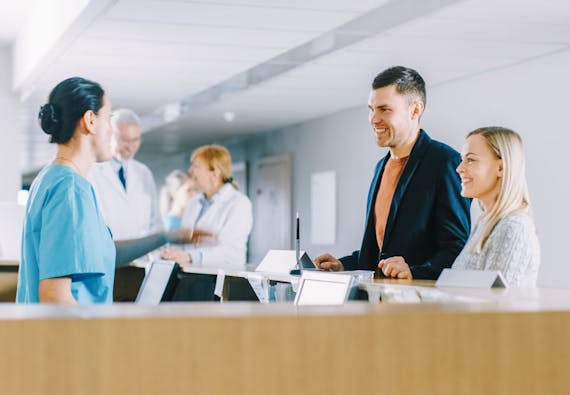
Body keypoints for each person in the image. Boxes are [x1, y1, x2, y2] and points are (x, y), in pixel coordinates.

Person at [16, 77, 199, 304]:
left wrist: (165, 236)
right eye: (109, 119)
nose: (111, 131)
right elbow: (55, 295)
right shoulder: (69, 189)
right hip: (70, 336)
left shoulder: (52, 179)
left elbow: (102, 254)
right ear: (90, 121)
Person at [314, 66, 471, 279]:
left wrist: (413, 273)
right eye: (371, 109)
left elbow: (456, 247)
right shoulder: (381, 166)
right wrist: (342, 265)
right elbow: (380, 250)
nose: (373, 119)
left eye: (384, 109)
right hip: (378, 302)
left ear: (415, 110)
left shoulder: (445, 162)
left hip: (418, 305)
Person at [452, 127, 540, 287]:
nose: (459, 169)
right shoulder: (486, 224)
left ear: (501, 168)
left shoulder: (514, 227)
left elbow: (496, 307)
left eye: (470, 160)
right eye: (462, 159)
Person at [160, 144, 253, 267]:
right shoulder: (194, 203)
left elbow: (231, 253)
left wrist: (190, 256)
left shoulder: (239, 203)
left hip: (222, 279)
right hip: (191, 277)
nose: (190, 170)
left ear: (215, 172)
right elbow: (187, 241)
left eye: (196, 166)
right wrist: (175, 252)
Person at [89, 108, 162, 240]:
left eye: (135, 140)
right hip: (107, 255)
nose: (130, 147)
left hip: (140, 256)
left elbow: (155, 222)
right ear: (109, 135)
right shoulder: (92, 171)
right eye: (124, 140)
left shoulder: (143, 173)